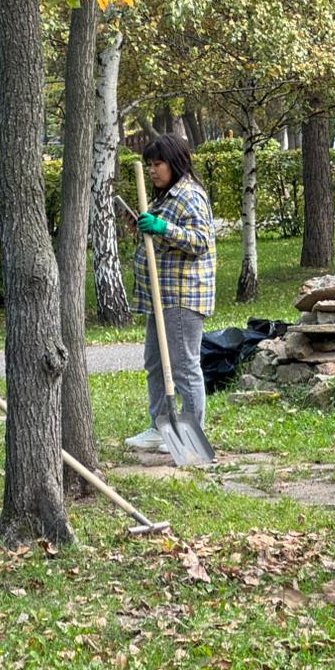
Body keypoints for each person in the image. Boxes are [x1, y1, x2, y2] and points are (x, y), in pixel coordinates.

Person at [124, 134, 217, 453]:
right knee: (155, 362)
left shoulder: (189, 194)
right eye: (149, 164)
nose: (152, 170)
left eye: (158, 164)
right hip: (160, 296)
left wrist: (163, 229)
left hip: (183, 296)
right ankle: (160, 427)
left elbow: (200, 240)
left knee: (182, 365)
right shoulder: (165, 196)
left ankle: (192, 435)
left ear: (175, 162)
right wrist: (145, 225)